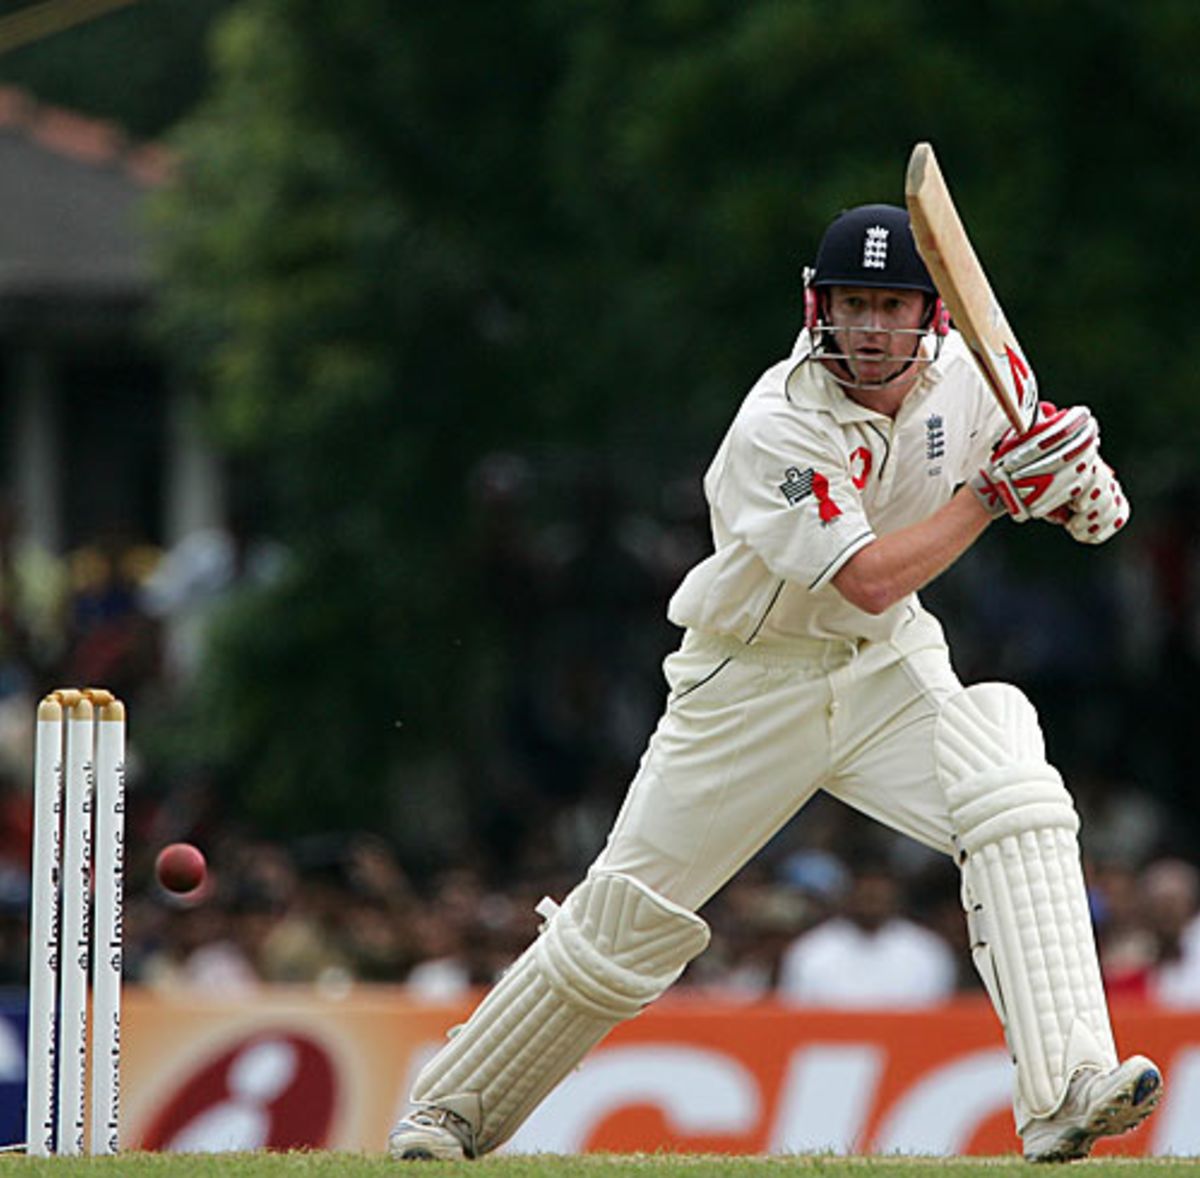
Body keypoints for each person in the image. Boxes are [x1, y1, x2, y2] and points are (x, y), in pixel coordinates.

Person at [388, 203, 1160, 1163]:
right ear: (816, 306)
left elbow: (1093, 519)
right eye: (851, 304)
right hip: (751, 682)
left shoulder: (973, 384)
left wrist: (1076, 484)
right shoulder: (778, 425)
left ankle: (1068, 1086)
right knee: (625, 923)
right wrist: (996, 495)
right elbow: (869, 573)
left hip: (885, 664)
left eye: (890, 305)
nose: (870, 328)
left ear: (933, 319)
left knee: (1007, 774)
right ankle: (450, 1109)